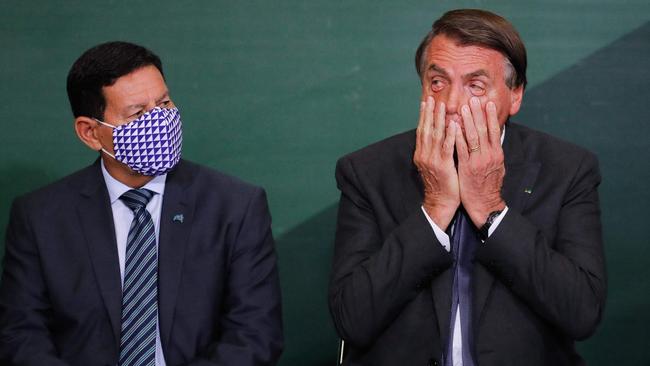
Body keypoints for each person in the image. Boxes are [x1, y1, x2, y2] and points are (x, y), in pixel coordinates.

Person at [329, 9, 605, 366]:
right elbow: (352, 319)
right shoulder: (367, 171)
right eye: (438, 83)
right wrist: (434, 210)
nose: (452, 104)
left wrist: (492, 209)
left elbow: (581, 312)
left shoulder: (567, 170)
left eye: (475, 85)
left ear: (515, 95)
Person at [0, 41, 283, 366]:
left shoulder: (235, 206)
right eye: (137, 113)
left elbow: (255, 337)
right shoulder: (40, 218)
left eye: (164, 102)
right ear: (90, 132)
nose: (160, 120)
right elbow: (21, 336)